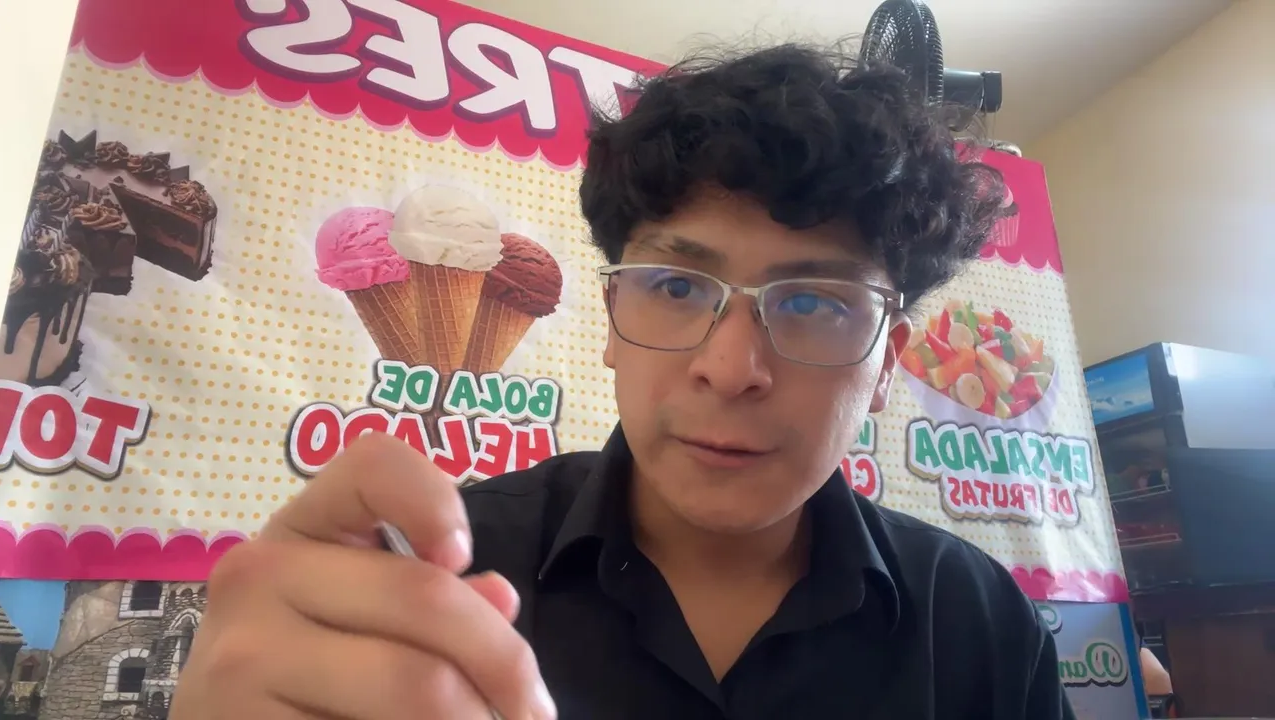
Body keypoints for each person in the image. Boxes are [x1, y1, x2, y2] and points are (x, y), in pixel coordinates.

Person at [172, 44, 1075, 719]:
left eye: (814, 303)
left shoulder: (981, 625)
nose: (731, 369)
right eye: (677, 288)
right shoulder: (432, 576)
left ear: (886, 363)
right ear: (611, 319)